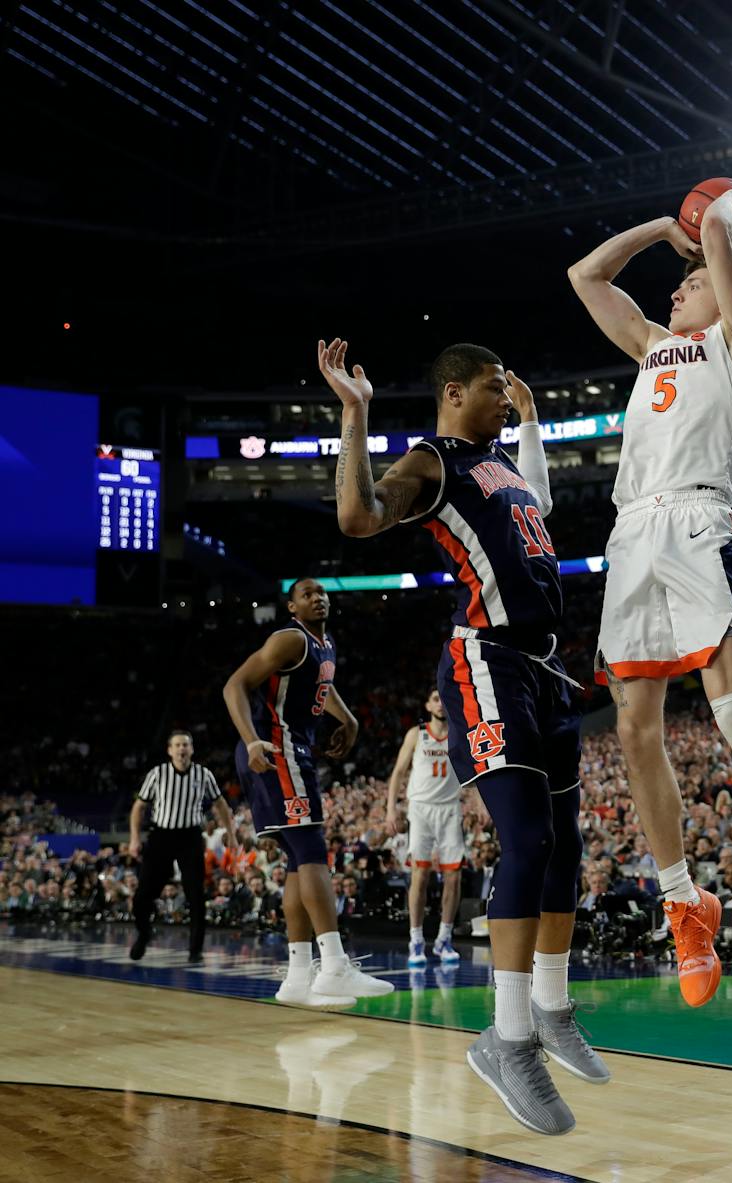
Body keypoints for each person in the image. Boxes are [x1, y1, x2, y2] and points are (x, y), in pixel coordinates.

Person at [319, 337, 607, 1135]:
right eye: (491, 387)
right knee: (525, 839)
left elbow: (538, 505)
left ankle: (549, 1009)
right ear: (452, 392)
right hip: (488, 658)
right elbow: (358, 515)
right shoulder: (433, 459)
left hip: (548, 667)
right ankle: (506, 1038)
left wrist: (535, 423)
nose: (504, 397)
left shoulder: (507, 468)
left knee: (564, 847)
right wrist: (356, 414)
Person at [567, 182, 732, 1006]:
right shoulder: (650, 346)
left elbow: (722, 266)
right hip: (633, 532)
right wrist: (661, 226)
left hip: (702, 520)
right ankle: (684, 902)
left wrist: (727, 207)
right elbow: (586, 277)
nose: (678, 286)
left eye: (692, 279)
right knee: (635, 732)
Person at [222, 577, 391, 1011]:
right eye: (307, 594)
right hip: (275, 749)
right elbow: (234, 685)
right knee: (313, 850)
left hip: (289, 749)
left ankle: (299, 975)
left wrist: (348, 720)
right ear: (292, 607)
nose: (318, 598)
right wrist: (253, 739)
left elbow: (324, 687)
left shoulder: (323, 644)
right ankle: (333, 964)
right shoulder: (289, 639)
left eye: (322, 592)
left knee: (299, 859)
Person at [128, 729, 235, 963]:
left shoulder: (203, 774)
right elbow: (139, 807)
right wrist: (135, 838)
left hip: (190, 837)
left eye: (185, 745)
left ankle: (195, 949)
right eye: (177, 745)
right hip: (161, 836)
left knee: (196, 894)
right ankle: (144, 934)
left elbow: (220, 804)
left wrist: (231, 833)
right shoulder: (157, 774)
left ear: (192, 749)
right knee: (143, 894)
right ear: (169, 750)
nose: (181, 749)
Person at [386, 689, 476, 967]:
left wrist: (480, 804)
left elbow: (474, 770)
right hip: (420, 808)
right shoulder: (417, 734)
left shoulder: (460, 733)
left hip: (450, 808)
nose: (441, 703)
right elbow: (399, 772)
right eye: (436, 698)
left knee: (453, 878)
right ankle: (415, 940)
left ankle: (444, 939)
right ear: (427, 705)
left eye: (444, 698)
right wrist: (391, 808)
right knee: (420, 875)